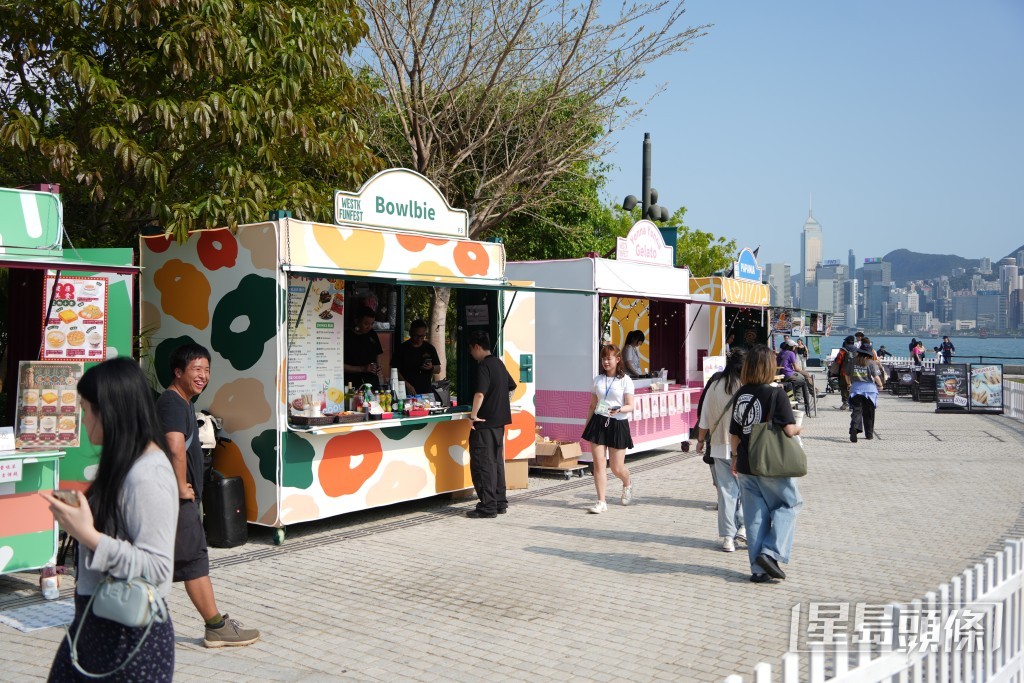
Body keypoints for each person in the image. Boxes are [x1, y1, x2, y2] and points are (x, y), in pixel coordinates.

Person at [42, 358, 178, 680]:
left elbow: (159, 568)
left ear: (110, 411)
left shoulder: (148, 475)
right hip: (96, 622)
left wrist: (88, 535)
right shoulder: (124, 460)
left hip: (130, 637)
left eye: (87, 409)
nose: (83, 418)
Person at [156, 344, 260, 647]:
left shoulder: (182, 401)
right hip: (177, 500)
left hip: (176, 498)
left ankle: (128, 620)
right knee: (194, 561)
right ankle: (215, 626)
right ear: (178, 372)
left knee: (165, 561)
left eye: (207, 369)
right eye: (196, 369)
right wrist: (179, 485)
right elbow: (174, 445)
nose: (203, 375)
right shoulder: (173, 403)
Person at [729, 345, 803, 584]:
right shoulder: (776, 394)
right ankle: (770, 552)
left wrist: (734, 458)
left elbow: (735, 433)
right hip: (770, 463)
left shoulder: (741, 394)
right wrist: (801, 427)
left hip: (746, 462)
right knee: (789, 504)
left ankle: (757, 569)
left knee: (755, 516)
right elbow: (789, 429)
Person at [696, 348, 746, 552]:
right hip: (743, 447)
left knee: (726, 493)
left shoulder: (715, 385)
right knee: (745, 489)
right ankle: (743, 527)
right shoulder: (746, 386)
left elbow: (705, 417)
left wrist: (700, 440)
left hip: (718, 445)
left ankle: (728, 537)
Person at [466, 330, 517, 518]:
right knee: (496, 462)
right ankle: (499, 502)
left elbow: (479, 393)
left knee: (483, 464)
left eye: (471, 350)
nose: (471, 355)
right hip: (499, 422)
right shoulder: (499, 363)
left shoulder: (484, 366)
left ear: (477, 347)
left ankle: (487, 506)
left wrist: (473, 416)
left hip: (484, 422)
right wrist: (500, 401)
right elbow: (512, 386)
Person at [582, 344, 635, 513]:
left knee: (616, 467)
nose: (605, 361)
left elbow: (631, 405)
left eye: (609, 358)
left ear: (617, 359)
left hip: (618, 423)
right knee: (598, 464)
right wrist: (587, 425)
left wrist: (619, 409)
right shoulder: (598, 379)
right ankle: (601, 501)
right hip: (598, 422)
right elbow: (592, 405)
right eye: (603, 358)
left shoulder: (625, 380)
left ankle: (627, 483)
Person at [846, 338, 884, 442]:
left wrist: (849, 384)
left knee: (857, 411)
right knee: (869, 413)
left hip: (856, 389)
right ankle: (869, 434)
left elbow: (846, 374)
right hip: (869, 390)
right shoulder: (871, 363)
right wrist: (880, 385)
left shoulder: (852, 361)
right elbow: (876, 377)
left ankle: (854, 427)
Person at [394, 319, 441, 395]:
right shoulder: (402, 349)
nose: (419, 339)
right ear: (410, 333)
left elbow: (438, 369)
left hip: (425, 391)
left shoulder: (429, 348)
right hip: (405, 390)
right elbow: (395, 370)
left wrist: (431, 367)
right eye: (416, 336)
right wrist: (406, 384)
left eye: (422, 336)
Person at [344, 306, 384, 389]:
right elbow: (339, 366)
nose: (369, 327)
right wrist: (362, 368)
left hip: (372, 381)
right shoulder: (346, 336)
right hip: (353, 383)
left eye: (372, 324)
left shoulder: (372, 334)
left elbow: (378, 353)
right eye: (366, 323)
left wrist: (379, 367)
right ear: (356, 320)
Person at [777, 341, 811, 409]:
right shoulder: (791, 353)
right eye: (794, 346)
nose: (795, 348)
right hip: (788, 374)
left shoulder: (780, 353)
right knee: (803, 380)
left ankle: (793, 397)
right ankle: (798, 398)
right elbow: (796, 368)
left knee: (799, 380)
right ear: (791, 346)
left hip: (781, 375)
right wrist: (802, 371)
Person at [833, 335, 856, 410]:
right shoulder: (857, 350)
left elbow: (838, 360)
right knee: (854, 387)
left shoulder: (843, 350)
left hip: (844, 372)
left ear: (846, 342)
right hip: (855, 372)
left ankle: (845, 403)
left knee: (844, 387)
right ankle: (854, 403)